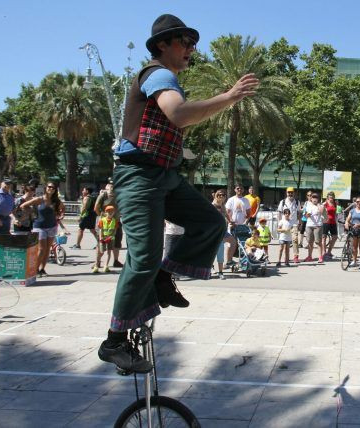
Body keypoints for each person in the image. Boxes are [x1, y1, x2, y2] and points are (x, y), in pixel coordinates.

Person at [98, 14, 259, 374]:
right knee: (141, 258)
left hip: (164, 176)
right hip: (139, 176)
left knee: (211, 223)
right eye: (184, 42)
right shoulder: (158, 74)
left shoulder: (167, 77)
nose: (191, 49)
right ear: (162, 46)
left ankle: (162, 275)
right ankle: (113, 342)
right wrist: (229, 96)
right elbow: (179, 115)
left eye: (192, 43)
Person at [22, 182, 64, 277]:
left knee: (47, 250)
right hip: (39, 226)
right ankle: (34, 270)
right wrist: (32, 214)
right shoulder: (39, 199)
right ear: (46, 188)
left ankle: (42, 269)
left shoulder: (56, 201)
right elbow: (23, 206)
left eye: (53, 188)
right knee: (41, 249)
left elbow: (63, 208)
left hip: (52, 226)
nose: (51, 189)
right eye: (49, 187)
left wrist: (61, 215)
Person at [94, 182, 123, 267]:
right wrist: (102, 216)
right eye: (110, 187)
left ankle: (116, 261)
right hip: (104, 222)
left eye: (113, 187)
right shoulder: (103, 196)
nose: (111, 188)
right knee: (101, 242)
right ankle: (97, 262)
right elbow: (96, 207)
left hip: (116, 222)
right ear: (106, 189)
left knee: (117, 241)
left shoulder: (118, 195)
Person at [225, 184, 252, 266]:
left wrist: (246, 222)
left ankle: (243, 261)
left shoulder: (246, 200)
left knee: (243, 244)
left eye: (241, 188)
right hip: (232, 225)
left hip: (242, 226)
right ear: (235, 190)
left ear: (243, 190)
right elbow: (227, 212)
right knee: (230, 244)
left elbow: (248, 213)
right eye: (238, 188)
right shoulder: (231, 200)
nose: (239, 190)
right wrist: (230, 221)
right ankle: (228, 262)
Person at [277, 187, 301, 263]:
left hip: (293, 224)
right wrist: (279, 222)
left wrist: (300, 222)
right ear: (286, 193)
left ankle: (295, 256)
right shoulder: (283, 202)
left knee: (295, 240)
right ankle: (284, 258)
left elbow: (299, 213)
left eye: (291, 192)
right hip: (284, 224)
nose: (290, 194)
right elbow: (279, 212)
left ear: (294, 193)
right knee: (284, 242)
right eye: (288, 192)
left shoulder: (297, 202)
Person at [211, 189, 231, 279]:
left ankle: (220, 272)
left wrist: (231, 222)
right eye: (219, 195)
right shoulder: (213, 206)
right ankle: (210, 269)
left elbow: (226, 215)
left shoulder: (223, 206)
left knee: (220, 252)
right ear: (216, 196)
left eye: (223, 195)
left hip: (221, 232)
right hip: (213, 233)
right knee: (211, 253)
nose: (221, 196)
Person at [93, 206, 118, 273]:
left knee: (108, 252)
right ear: (106, 212)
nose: (110, 212)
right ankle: (96, 266)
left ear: (114, 212)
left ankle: (106, 266)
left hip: (110, 239)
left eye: (111, 211)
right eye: (108, 211)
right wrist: (101, 239)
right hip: (103, 238)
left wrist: (111, 237)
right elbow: (101, 230)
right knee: (100, 252)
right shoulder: (102, 220)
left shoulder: (114, 221)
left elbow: (114, 231)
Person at [346, 196, 360, 268]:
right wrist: (347, 223)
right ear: (355, 202)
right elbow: (348, 219)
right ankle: (354, 261)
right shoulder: (352, 211)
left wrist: (359, 224)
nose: (359, 203)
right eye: (357, 202)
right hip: (354, 231)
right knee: (354, 247)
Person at [304, 192, 325, 263]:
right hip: (309, 225)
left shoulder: (321, 205)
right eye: (313, 197)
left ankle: (320, 257)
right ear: (311, 198)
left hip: (318, 226)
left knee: (318, 242)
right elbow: (305, 215)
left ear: (318, 199)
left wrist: (318, 204)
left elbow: (321, 211)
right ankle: (309, 256)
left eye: (316, 198)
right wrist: (307, 215)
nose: (314, 199)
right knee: (310, 242)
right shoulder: (308, 205)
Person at [322, 192, 339, 259]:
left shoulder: (335, 203)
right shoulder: (325, 203)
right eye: (330, 197)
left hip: (333, 222)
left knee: (335, 237)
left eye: (332, 197)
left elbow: (335, 213)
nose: (331, 198)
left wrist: (336, 221)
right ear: (327, 197)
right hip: (326, 222)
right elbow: (321, 211)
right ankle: (324, 253)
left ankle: (329, 252)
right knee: (324, 237)